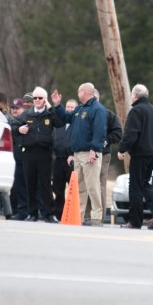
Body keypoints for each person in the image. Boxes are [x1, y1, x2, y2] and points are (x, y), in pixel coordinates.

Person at [51, 83, 107, 226]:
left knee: (92, 186)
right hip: (77, 154)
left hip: (90, 153)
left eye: (79, 91)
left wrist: (94, 150)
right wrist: (57, 105)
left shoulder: (97, 109)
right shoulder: (79, 108)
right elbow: (65, 117)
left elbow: (99, 132)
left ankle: (96, 217)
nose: (77, 93)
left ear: (86, 92)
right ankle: (79, 215)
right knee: (79, 188)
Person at [117, 84, 153, 229]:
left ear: (135, 96)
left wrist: (122, 149)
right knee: (144, 183)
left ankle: (135, 222)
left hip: (141, 154)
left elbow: (131, 134)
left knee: (135, 187)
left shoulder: (136, 110)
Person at [12, 86, 61, 223]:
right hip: (29, 153)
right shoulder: (26, 114)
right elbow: (13, 127)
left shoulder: (49, 113)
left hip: (44, 153)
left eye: (40, 98)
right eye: (35, 98)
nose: (37, 100)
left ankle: (49, 214)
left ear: (45, 99)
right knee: (30, 184)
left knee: (45, 184)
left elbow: (59, 122)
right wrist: (19, 130)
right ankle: (32, 213)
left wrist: (51, 108)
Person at [91, 89, 122, 222]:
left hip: (103, 154)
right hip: (85, 153)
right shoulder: (83, 113)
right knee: (87, 184)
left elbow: (118, 133)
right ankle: (86, 215)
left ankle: (100, 216)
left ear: (97, 99)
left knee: (100, 184)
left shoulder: (108, 114)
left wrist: (106, 141)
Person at [52, 99, 77, 220]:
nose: (69, 109)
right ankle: (58, 213)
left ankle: (71, 214)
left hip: (72, 160)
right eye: (68, 107)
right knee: (58, 189)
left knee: (73, 189)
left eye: (72, 107)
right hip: (58, 160)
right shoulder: (59, 123)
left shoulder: (77, 124)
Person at [7, 98, 29, 220]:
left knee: (23, 186)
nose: (15, 110)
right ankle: (15, 210)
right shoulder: (9, 121)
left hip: (23, 157)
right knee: (15, 187)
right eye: (13, 108)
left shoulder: (26, 119)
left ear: (23, 109)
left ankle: (25, 211)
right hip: (12, 158)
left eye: (17, 108)